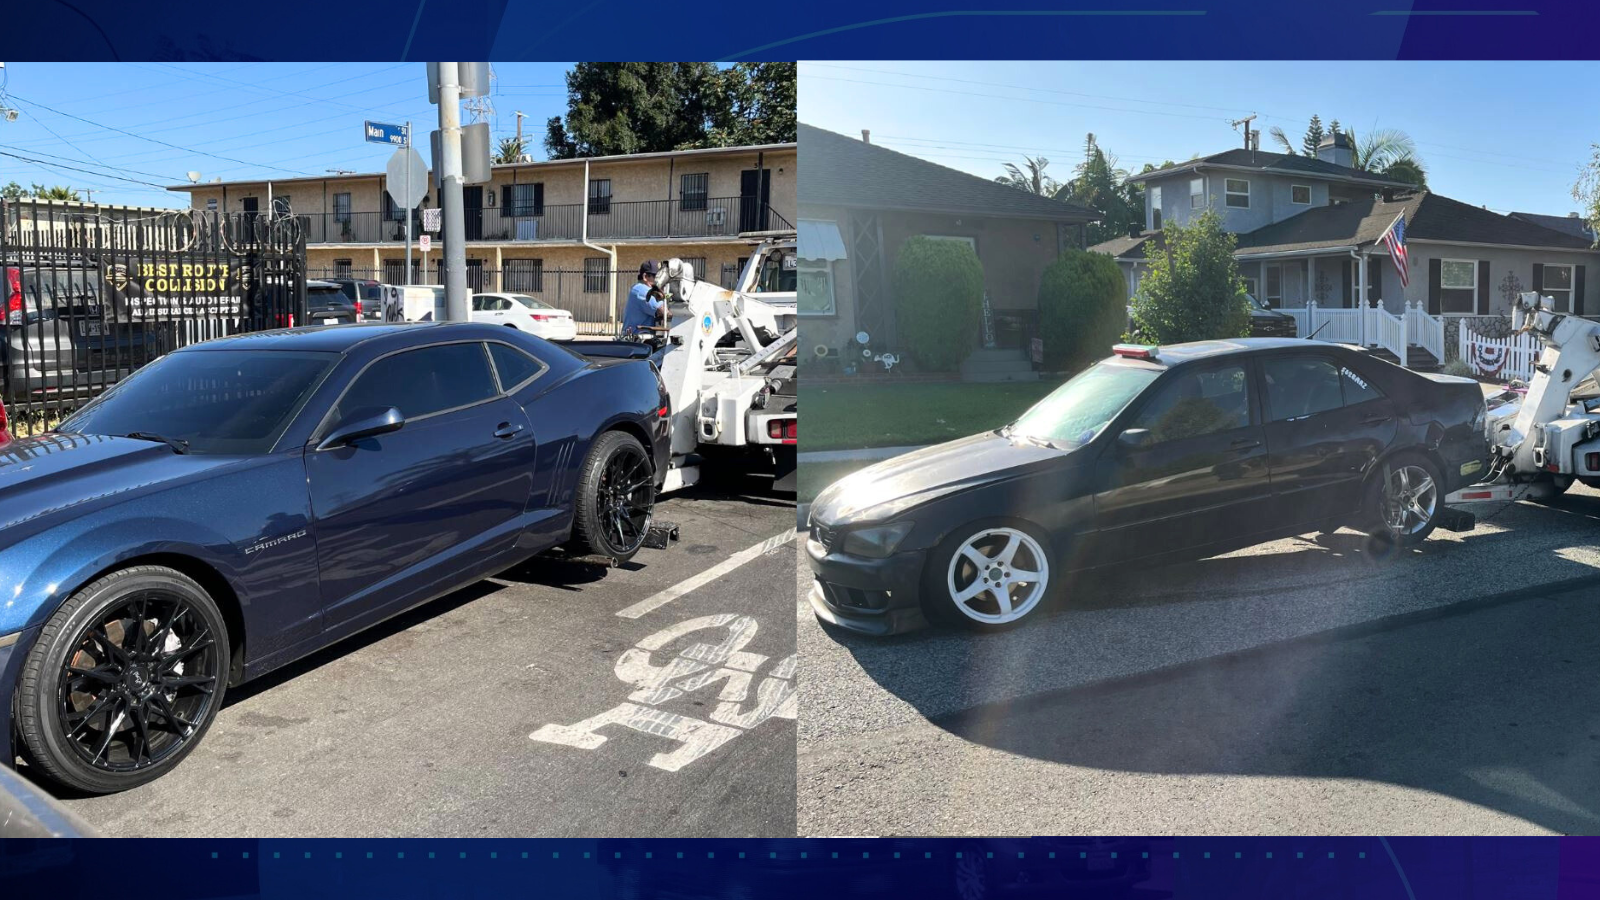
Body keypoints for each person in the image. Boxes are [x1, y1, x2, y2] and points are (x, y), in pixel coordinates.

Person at [622, 260, 666, 338]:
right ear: (645, 277)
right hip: (637, 342)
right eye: (657, 276)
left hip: (641, 339)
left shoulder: (639, 289)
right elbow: (664, 312)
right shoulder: (642, 290)